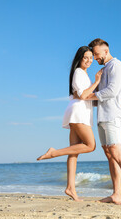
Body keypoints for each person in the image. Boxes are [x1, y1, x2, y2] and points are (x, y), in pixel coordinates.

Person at [79, 38, 121, 205]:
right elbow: (96, 97)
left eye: (97, 54)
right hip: (102, 116)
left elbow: (112, 91)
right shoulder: (104, 69)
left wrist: (90, 95)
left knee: (117, 153)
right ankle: (117, 194)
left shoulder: (116, 66)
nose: (96, 58)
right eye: (94, 55)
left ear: (106, 51)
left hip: (113, 115)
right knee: (110, 155)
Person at [37, 46, 102, 201]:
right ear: (79, 58)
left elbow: (82, 95)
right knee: (90, 145)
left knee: (74, 152)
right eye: (85, 57)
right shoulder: (79, 73)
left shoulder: (82, 74)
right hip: (78, 113)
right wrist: (97, 82)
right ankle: (53, 152)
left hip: (78, 112)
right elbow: (83, 95)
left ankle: (70, 188)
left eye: (91, 58)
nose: (89, 60)